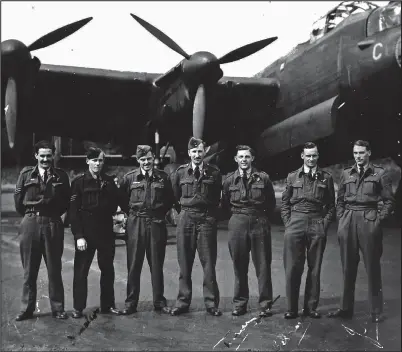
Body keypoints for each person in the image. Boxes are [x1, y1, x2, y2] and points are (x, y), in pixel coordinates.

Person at [327, 140, 394, 323]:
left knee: (372, 266)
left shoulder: (379, 173)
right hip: (348, 218)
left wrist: (378, 220)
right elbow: (339, 199)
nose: (358, 156)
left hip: (369, 218)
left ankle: (376, 310)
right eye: (356, 153)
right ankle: (345, 307)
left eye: (362, 152)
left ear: (369, 153)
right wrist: (341, 219)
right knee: (348, 266)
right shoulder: (346, 173)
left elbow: (388, 201)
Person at [14, 140, 70, 321]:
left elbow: (65, 202)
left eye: (49, 155)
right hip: (30, 222)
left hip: (52, 223)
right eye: (42, 155)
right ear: (36, 156)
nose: (45, 159)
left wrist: (51, 215)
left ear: (53, 156)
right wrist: (32, 216)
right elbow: (18, 201)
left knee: (54, 269)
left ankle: (58, 308)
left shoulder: (61, 176)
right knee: (29, 270)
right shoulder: (25, 175)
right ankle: (26, 309)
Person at [281, 142, 335, 319]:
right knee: (293, 268)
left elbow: (331, 206)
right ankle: (291, 308)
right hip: (295, 222)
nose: (311, 159)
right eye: (308, 155)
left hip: (316, 222)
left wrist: (324, 224)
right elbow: (285, 203)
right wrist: (289, 223)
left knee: (315, 268)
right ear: (302, 156)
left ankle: (310, 307)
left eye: (314, 155)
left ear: (318, 156)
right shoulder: (292, 177)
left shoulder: (326, 177)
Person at [221, 145, 276, 317]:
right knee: (239, 265)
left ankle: (265, 304)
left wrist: (259, 217)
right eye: (240, 157)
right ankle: (239, 303)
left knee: (263, 265)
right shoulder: (230, 180)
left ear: (252, 159)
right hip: (237, 222)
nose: (244, 160)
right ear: (236, 160)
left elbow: (271, 203)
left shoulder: (264, 178)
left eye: (247, 156)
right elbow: (225, 205)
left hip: (259, 221)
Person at [119, 145, 175, 315]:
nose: (146, 162)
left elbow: (169, 200)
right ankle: (131, 303)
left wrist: (157, 213)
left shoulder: (163, 178)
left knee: (157, 264)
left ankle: (159, 301)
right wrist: (135, 215)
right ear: (138, 160)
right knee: (134, 264)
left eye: (149, 159)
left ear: (153, 159)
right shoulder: (129, 178)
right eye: (143, 159)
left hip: (156, 222)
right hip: (136, 222)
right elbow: (122, 200)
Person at [170, 137, 222, 316]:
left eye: (200, 151)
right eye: (194, 152)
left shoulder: (214, 173)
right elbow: (174, 197)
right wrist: (185, 211)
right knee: (184, 262)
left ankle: (211, 303)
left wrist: (209, 215)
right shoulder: (180, 173)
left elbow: (217, 198)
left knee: (209, 263)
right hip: (186, 217)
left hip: (206, 219)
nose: (197, 155)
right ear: (189, 153)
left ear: (204, 152)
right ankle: (182, 301)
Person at [69, 147, 122, 318]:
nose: (97, 163)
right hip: (86, 232)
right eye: (94, 160)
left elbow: (115, 206)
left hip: (105, 231)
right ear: (87, 161)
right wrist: (78, 236)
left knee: (107, 269)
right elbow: (73, 212)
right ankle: (78, 307)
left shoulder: (109, 181)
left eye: (100, 160)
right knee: (81, 271)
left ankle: (108, 305)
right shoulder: (78, 183)